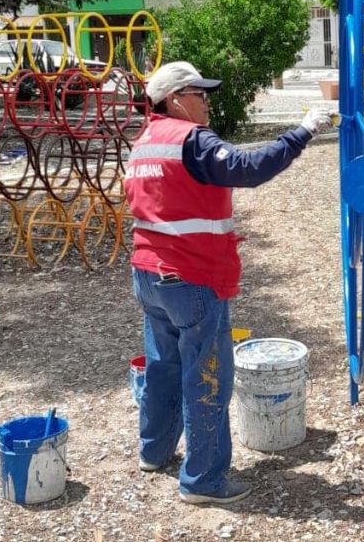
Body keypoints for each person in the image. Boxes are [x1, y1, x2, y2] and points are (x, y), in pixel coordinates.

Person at [124, 60, 331, 506]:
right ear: (175, 99)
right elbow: (247, 167)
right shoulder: (191, 139)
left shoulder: (145, 141)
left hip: (148, 273)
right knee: (208, 377)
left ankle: (154, 452)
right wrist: (303, 131)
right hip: (191, 278)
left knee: (163, 367)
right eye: (200, 94)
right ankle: (203, 482)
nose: (208, 103)